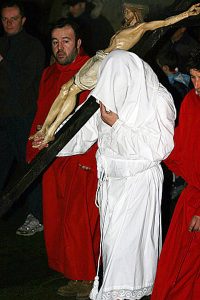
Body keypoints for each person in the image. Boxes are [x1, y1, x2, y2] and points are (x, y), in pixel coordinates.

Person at [37, 49, 176, 300]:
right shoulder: (107, 95)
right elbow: (83, 129)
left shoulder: (157, 98)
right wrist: (53, 138)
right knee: (113, 249)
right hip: (112, 186)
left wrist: (117, 125)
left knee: (127, 255)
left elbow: (159, 148)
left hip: (138, 186)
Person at [30, 1, 200, 149]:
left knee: (71, 90)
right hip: (99, 57)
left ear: (136, 12)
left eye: (127, 11)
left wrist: (186, 13)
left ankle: (50, 132)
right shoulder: (125, 29)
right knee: (65, 88)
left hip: (105, 62)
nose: (125, 14)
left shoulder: (139, 28)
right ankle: (46, 128)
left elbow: (162, 23)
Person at [26, 18, 100, 299]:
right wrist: (33, 146)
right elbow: (41, 113)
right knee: (57, 217)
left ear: (79, 43)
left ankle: (84, 276)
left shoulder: (90, 70)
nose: (60, 47)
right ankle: (70, 269)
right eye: (55, 41)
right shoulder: (47, 74)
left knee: (78, 219)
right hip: (51, 157)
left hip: (81, 155)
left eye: (66, 40)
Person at [151, 48, 200, 300]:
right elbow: (183, 144)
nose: (197, 84)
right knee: (178, 265)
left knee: (188, 270)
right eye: (193, 77)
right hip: (190, 197)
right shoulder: (192, 100)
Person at [0, 0, 45, 233]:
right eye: (5, 19)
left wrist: (4, 63)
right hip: (2, 119)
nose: (9, 23)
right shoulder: (2, 43)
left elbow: (26, 83)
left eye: (13, 19)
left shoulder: (33, 47)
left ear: (23, 20)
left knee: (29, 168)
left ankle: (37, 216)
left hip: (23, 118)